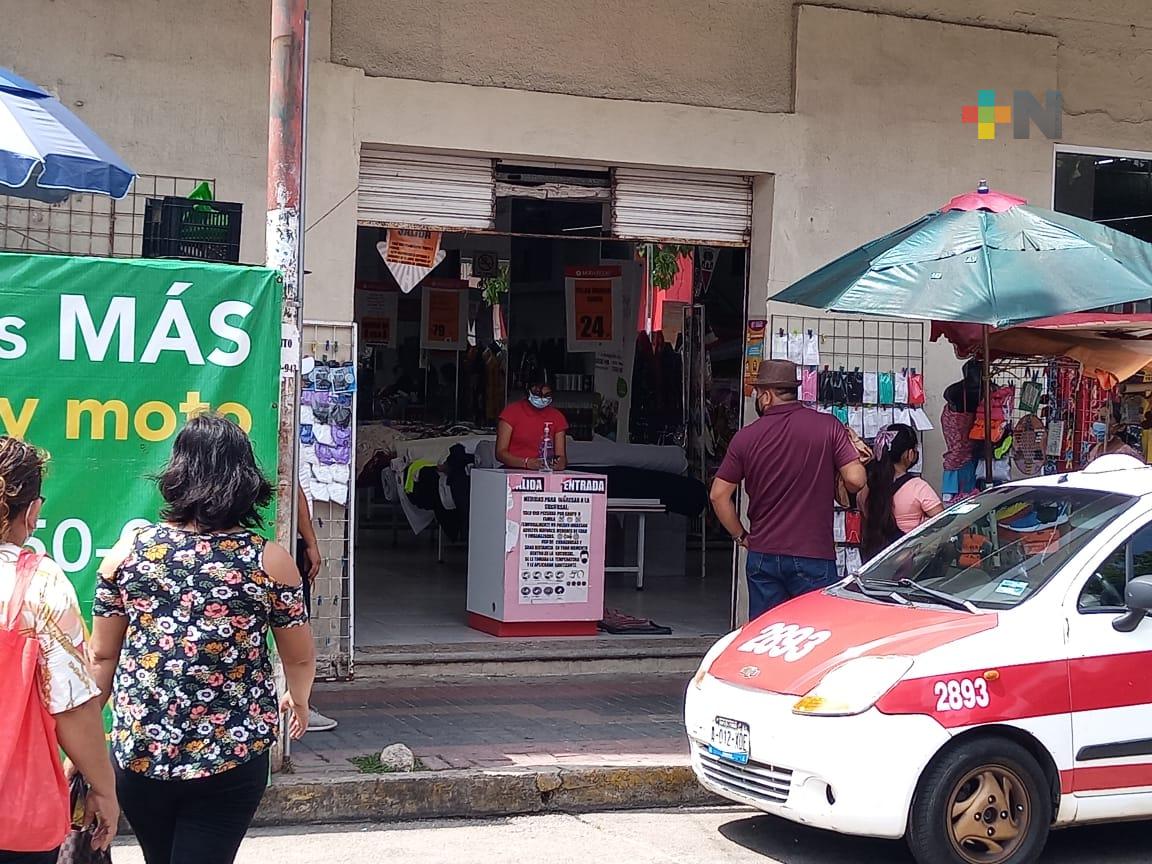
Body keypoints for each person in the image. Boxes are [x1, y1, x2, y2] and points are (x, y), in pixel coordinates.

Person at [90, 415, 316, 864]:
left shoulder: (127, 552)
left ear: (176, 474)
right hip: (231, 755)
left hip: (140, 752)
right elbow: (301, 658)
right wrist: (300, 698)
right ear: (245, 478)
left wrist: (82, 741)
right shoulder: (269, 560)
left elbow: (101, 657)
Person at [0, 437, 118, 863]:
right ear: (32, 511)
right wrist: (102, 789)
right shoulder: (40, 585)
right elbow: (73, 709)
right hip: (15, 817)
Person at [710, 360, 867, 621]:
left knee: (767, 636)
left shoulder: (746, 437)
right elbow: (856, 480)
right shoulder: (828, 426)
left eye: (758, 394)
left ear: (767, 395)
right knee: (813, 635)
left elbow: (718, 495)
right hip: (814, 554)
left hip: (763, 554)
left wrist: (742, 537)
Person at [858, 424, 944, 561]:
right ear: (909, 454)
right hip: (907, 566)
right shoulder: (918, 487)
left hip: (873, 564)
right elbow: (943, 524)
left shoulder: (865, 488)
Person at [295, 482, 337, 733]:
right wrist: (311, 542)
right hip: (290, 539)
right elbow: (294, 491)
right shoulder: (282, 447)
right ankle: (298, 705)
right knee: (296, 628)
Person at [495, 375, 568, 471]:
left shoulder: (557, 417)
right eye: (537, 394)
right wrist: (526, 462)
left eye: (546, 395)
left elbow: (561, 457)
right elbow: (500, 453)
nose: (542, 398)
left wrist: (560, 463)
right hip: (513, 471)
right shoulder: (511, 412)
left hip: (545, 472)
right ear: (528, 390)